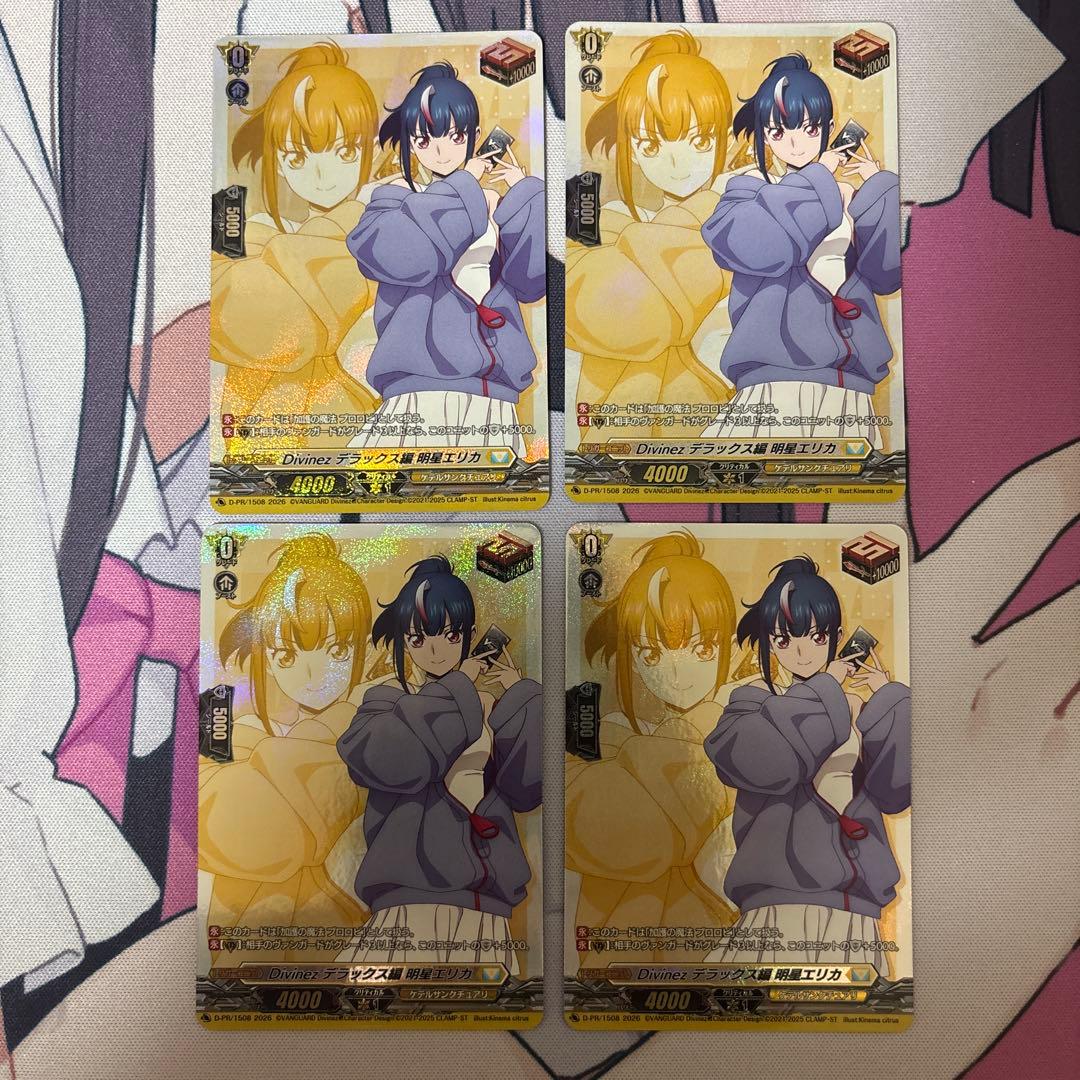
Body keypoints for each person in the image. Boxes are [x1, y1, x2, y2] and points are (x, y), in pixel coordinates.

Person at [703, 556, 910, 972]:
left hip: (854, 904)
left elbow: (894, 794)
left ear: (837, 638)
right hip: (781, 897)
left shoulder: (854, 706)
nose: (801, 652)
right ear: (768, 642)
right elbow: (771, 762)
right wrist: (826, 689)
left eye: (817, 637)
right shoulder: (752, 703)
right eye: (784, 640)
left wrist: (888, 701)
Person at [336, 556, 541, 971]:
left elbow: (526, 791)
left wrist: (520, 697)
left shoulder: (485, 704)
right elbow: (398, 760)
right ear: (403, 641)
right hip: (412, 895)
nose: (435, 650)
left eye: (451, 635)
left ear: (469, 636)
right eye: (418, 638)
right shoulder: (385, 703)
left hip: (485, 902)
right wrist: (458, 687)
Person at [699, 54, 900, 444]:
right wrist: (818, 178)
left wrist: (878, 190)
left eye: (810, 129)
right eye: (778, 132)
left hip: (848, 384)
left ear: (828, 129)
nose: (795, 144)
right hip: (776, 378)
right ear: (764, 135)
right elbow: (765, 247)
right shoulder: (747, 191)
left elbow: (885, 275)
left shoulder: (846, 194)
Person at [348, 63, 546, 456]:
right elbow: (411, 256)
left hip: (492, 389)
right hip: (421, 384)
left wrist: (525, 195)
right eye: (425, 140)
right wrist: (465, 186)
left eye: (455, 137)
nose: (441, 152)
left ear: (475, 136)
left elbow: (529, 284)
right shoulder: (393, 201)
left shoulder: (488, 201)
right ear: (410, 143)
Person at [566, 531, 740, 965]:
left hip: (718, 956)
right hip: (618, 960)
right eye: (651, 653)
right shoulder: (599, 738)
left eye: (703, 649)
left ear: (730, 647)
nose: (677, 674)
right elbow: (625, 838)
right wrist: (698, 728)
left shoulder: (748, 733)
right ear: (629, 655)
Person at [199, 534, 373, 963]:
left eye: (337, 650)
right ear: (267, 657)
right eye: (288, 656)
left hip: (350, 946)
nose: (314, 675)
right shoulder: (235, 733)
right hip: (249, 949)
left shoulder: (379, 726)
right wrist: (344, 717)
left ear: (364, 650)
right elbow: (233, 827)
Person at [566, 30, 736, 441]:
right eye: (651, 145)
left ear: (727, 140)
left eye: (700, 140)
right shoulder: (606, 222)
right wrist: (710, 206)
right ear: (631, 149)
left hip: (717, 429)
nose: (678, 164)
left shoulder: (747, 217)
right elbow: (597, 311)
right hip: (617, 438)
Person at [212, 42, 380, 431]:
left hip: (358, 428)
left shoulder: (389, 227)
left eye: (345, 152)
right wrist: (352, 219)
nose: (322, 175)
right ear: (278, 161)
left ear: (370, 148)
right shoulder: (248, 226)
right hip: (266, 433)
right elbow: (260, 323)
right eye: (298, 158)